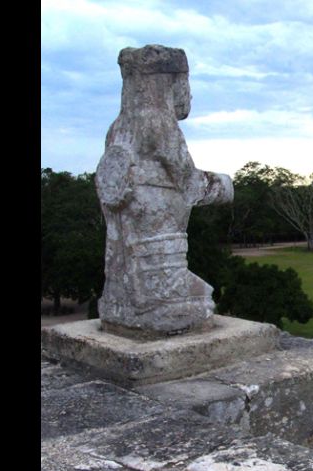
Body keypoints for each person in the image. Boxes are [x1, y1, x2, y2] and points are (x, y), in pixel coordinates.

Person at [95, 45, 233, 336]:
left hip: (127, 251)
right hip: (157, 247)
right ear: (174, 82)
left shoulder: (116, 128)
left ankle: (121, 306)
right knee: (199, 299)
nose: (189, 95)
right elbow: (190, 185)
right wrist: (224, 185)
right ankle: (155, 307)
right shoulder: (159, 122)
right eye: (186, 84)